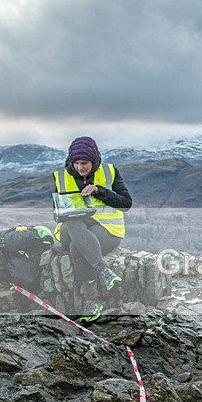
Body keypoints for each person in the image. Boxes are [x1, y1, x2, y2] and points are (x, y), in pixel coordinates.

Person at [53, 136, 132, 323]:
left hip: (106, 231)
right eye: (77, 163)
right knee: (73, 223)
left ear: (94, 161)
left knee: (76, 248)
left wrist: (99, 191)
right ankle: (102, 270)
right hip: (69, 229)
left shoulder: (109, 172)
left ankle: (92, 301)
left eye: (85, 163)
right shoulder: (61, 176)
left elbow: (126, 204)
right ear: (71, 161)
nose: (81, 167)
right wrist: (67, 212)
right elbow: (55, 211)